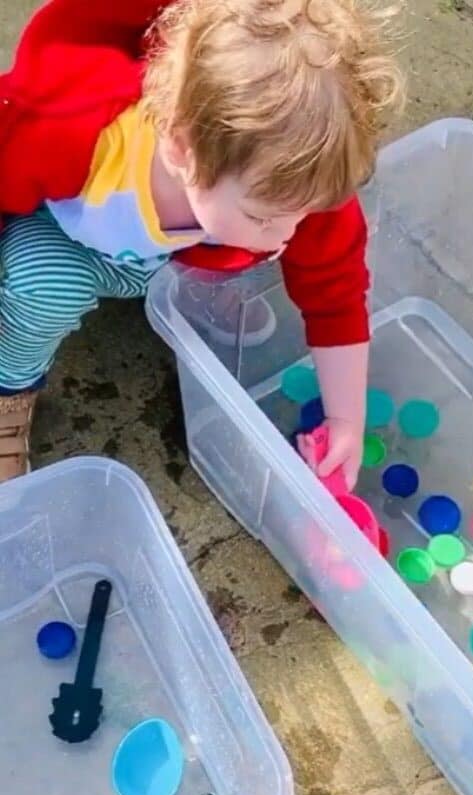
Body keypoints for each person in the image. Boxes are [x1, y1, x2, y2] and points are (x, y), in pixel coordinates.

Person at [0, 0, 404, 484]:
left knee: (271, 240)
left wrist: (346, 420)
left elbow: (336, 290)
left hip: (180, 248)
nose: (291, 231)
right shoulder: (69, 134)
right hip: (74, 237)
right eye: (265, 215)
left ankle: (193, 285)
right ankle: (11, 386)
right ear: (179, 149)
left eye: (306, 211)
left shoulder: (288, 182)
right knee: (42, 284)